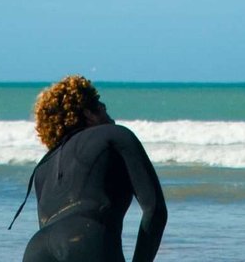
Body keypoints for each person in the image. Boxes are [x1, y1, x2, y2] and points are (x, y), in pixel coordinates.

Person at [10, 74, 167, 262]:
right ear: (88, 114)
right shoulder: (115, 135)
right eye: (98, 103)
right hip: (85, 236)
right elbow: (155, 210)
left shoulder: (43, 168)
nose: (104, 107)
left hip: (36, 249)